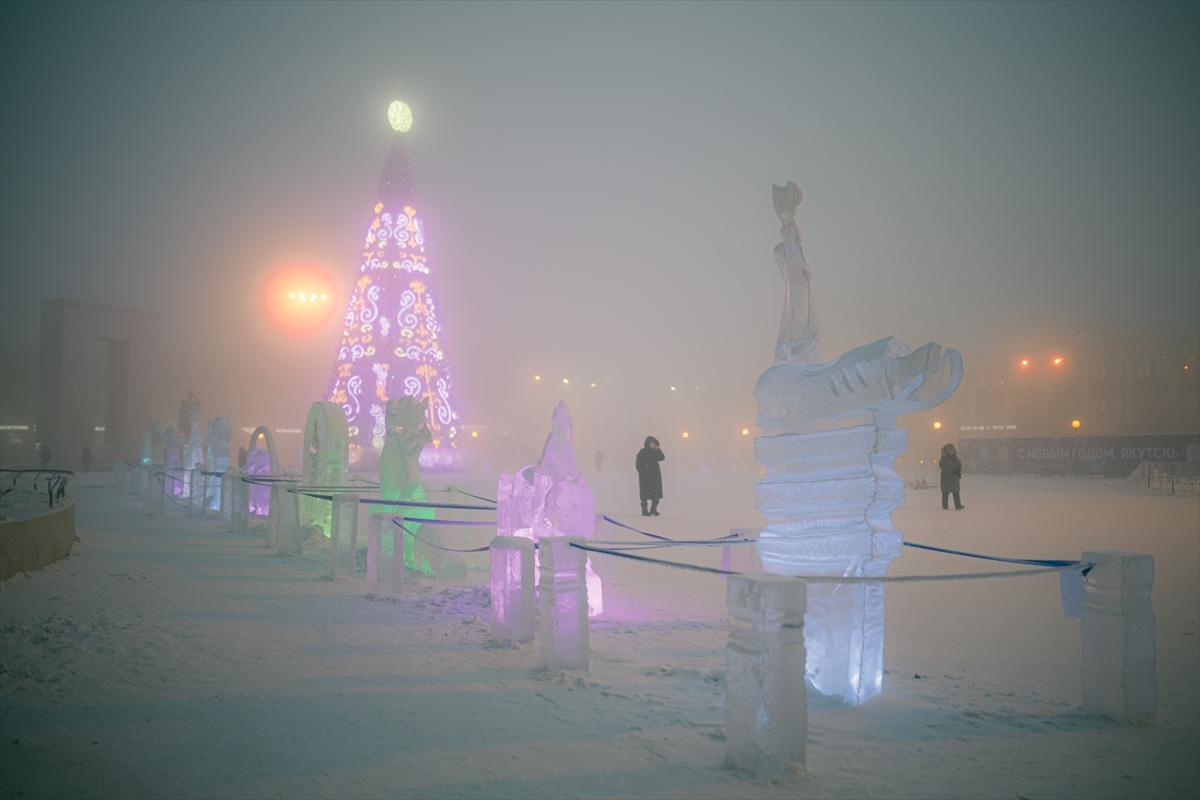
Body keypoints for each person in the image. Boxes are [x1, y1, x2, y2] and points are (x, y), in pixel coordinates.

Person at [635, 436, 666, 516]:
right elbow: (638, 465)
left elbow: (662, 458)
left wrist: (657, 449)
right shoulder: (642, 452)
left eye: (655, 444)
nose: (653, 445)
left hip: (655, 476)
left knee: (655, 493)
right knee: (644, 494)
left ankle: (653, 509)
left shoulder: (655, 452)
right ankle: (644, 511)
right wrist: (643, 472)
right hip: (645, 476)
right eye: (652, 444)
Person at [938, 443, 964, 510]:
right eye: (951, 449)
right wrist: (954, 467)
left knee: (956, 492)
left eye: (953, 449)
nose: (953, 451)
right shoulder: (943, 458)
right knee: (945, 493)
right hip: (946, 479)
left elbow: (959, 464)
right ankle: (945, 506)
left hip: (954, 478)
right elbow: (944, 468)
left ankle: (958, 505)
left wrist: (958, 469)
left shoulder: (955, 457)